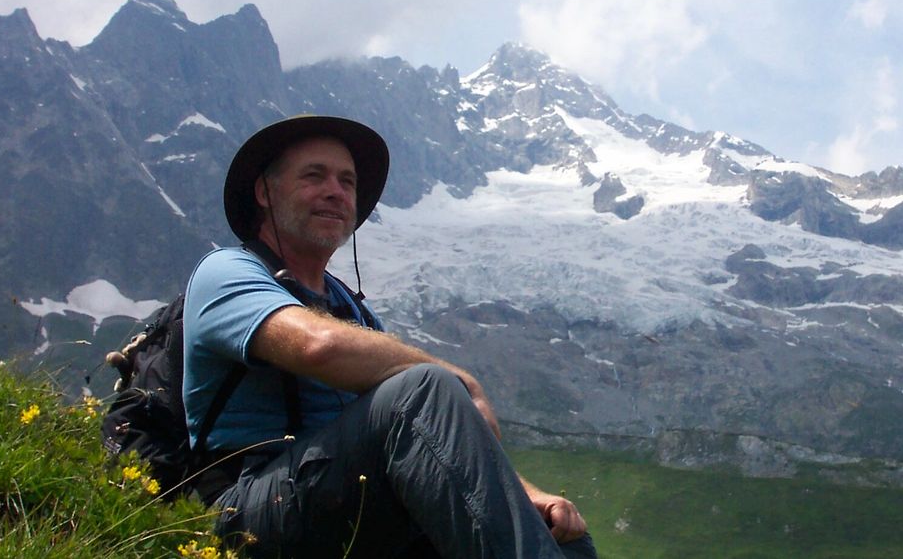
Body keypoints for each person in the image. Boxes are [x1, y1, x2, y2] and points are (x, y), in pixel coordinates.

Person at [182, 115, 598, 558]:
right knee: (424, 389)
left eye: (347, 182)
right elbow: (315, 346)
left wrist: (526, 492)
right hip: (242, 512)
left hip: (335, 495)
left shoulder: (350, 307)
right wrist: (461, 379)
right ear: (265, 192)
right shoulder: (226, 272)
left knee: (556, 527)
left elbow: (434, 440)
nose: (335, 191)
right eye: (314, 175)